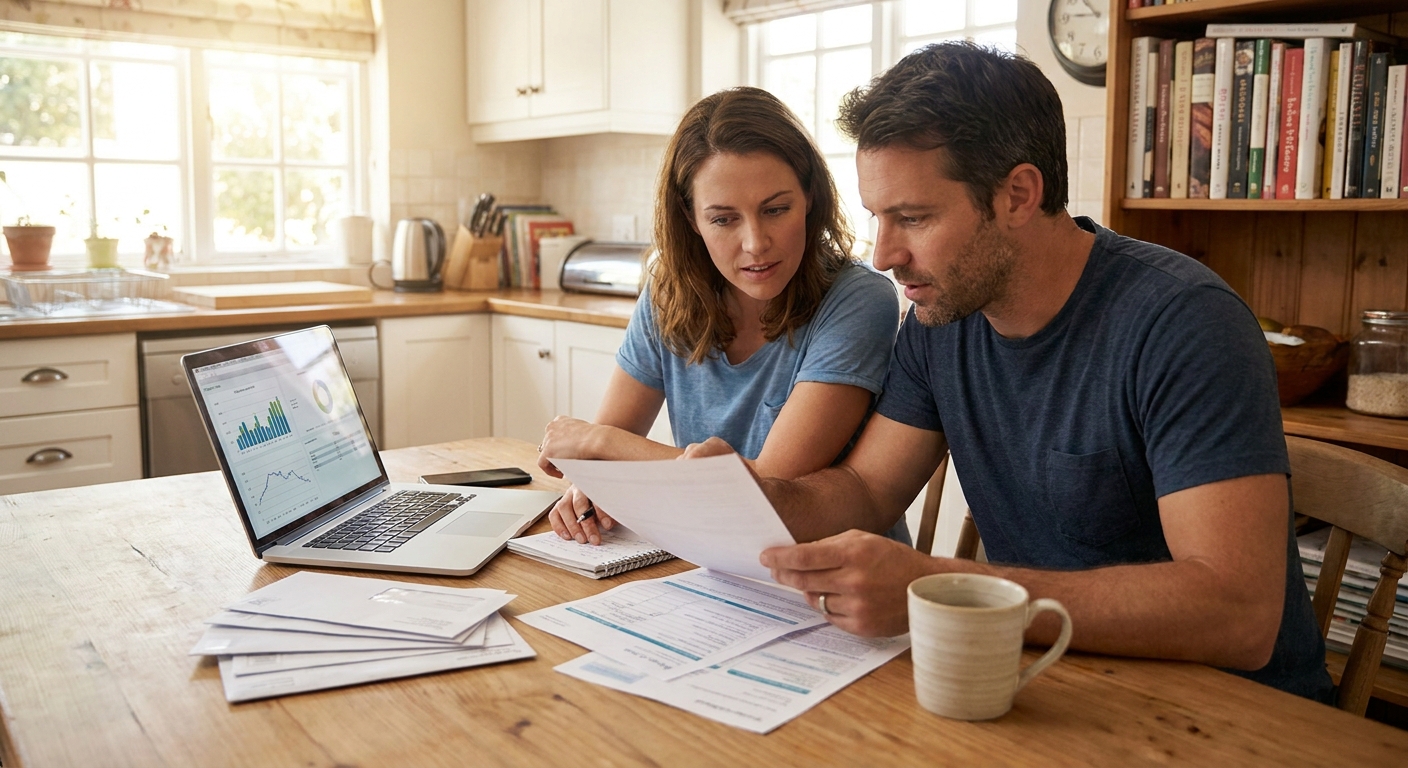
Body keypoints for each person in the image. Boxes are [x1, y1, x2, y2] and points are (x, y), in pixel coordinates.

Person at [684, 43, 1333, 702]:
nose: (883, 255)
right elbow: (865, 489)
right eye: (878, 218)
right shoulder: (944, 318)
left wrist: (940, 590)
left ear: (1019, 194)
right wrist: (754, 493)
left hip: (1237, 716)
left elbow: (1239, 614)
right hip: (1056, 683)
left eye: (913, 217)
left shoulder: (1184, 323)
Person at [538, 87, 902, 547]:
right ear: (691, 219)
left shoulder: (859, 299)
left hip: (834, 581)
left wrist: (599, 443)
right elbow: (597, 470)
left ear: (809, 198)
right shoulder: (669, 293)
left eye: (775, 209)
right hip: (711, 561)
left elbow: (765, 492)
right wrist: (587, 489)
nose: (755, 243)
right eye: (724, 219)